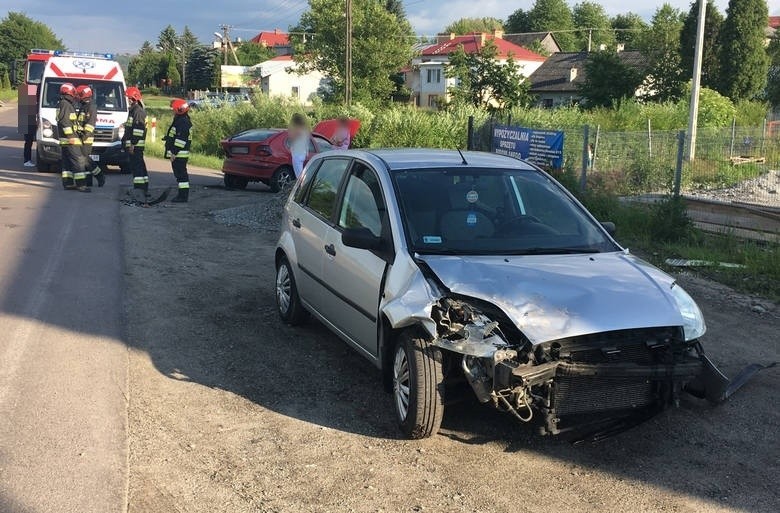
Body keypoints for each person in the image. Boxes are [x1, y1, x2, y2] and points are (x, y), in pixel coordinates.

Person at [56, 82, 90, 192]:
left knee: (67, 163)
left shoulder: (63, 103)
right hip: (71, 139)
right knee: (78, 161)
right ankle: (81, 185)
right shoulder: (66, 104)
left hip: (65, 140)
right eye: (73, 93)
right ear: (69, 93)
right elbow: (65, 123)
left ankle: (68, 183)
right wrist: (71, 136)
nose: (75, 96)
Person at [75, 85, 105, 187]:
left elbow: (90, 125)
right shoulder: (84, 106)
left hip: (86, 138)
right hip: (81, 137)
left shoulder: (91, 107)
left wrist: (83, 138)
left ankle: (100, 175)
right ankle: (89, 181)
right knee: (84, 160)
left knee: (86, 159)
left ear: (84, 95)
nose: (77, 97)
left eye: (79, 95)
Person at [122, 86, 148, 198]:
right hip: (133, 145)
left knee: (137, 169)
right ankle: (143, 189)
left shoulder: (138, 112)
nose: (127, 100)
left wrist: (132, 144)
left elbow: (138, 131)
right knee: (139, 167)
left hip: (136, 146)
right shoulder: (134, 111)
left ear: (133, 99)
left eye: (128, 98)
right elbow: (131, 127)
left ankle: (139, 190)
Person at [165, 99, 192, 203]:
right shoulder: (182, 120)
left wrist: (174, 153)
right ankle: (182, 195)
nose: (173, 111)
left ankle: (182, 197)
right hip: (179, 154)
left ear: (179, 110)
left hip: (179, 154)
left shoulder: (182, 122)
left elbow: (180, 140)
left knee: (181, 176)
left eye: (174, 109)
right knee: (180, 176)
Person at [288, 113, 310, 179]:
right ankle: (303, 186)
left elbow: (292, 138)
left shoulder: (297, 129)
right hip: (302, 153)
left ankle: (302, 188)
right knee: (301, 174)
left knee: (299, 176)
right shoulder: (305, 129)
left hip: (297, 153)